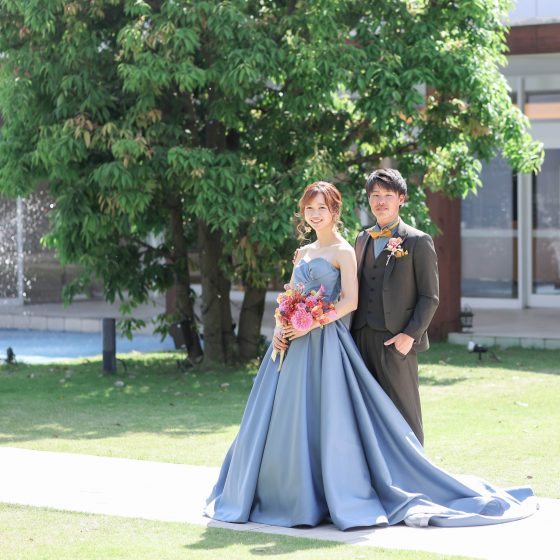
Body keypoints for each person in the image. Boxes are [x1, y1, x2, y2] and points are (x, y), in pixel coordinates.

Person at [205, 181, 535, 530]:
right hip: (293, 344)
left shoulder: (346, 250)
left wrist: (313, 322)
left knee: (345, 415)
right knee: (284, 416)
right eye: (309, 208)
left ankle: (391, 479)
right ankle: (282, 492)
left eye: (322, 208)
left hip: (326, 341)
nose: (315, 214)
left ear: (335, 211)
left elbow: (351, 300)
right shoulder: (304, 252)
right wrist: (280, 326)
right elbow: (289, 295)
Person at [350, 168, 439, 445]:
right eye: (374, 195)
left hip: (396, 340)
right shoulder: (361, 239)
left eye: (387, 195)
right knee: (365, 411)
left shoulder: (417, 240)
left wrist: (409, 336)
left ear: (401, 198)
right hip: (360, 337)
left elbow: (430, 296)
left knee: (405, 412)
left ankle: (415, 467)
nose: (380, 201)